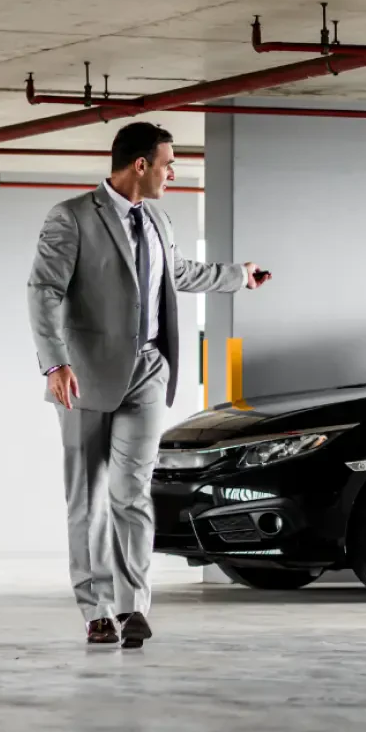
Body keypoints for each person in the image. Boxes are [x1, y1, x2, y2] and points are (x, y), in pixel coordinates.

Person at [27, 121, 270, 649]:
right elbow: (43, 291)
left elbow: (176, 273)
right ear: (141, 165)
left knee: (132, 492)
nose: (172, 173)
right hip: (84, 377)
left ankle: (133, 606)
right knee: (88, 499)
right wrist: (54, 364)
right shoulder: (72, 217)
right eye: (168, 164)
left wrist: (237, 275)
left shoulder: (159, 219)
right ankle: (95, 610)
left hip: (149, 371)